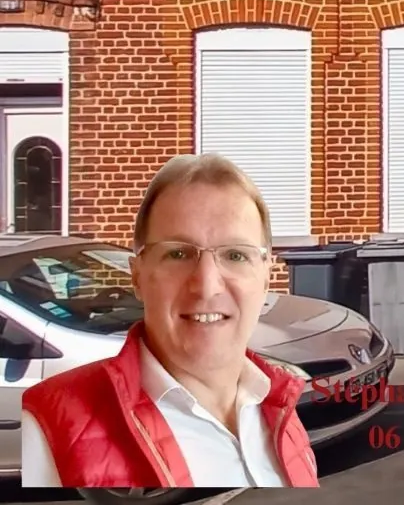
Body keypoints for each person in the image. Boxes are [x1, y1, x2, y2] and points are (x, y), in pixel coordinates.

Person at [19, 153, 321, 489]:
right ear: (137, 276)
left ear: (266, 278)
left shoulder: (279, 405)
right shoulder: (47, 429)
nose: (206, 285)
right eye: (177, 254)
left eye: (236, 255)